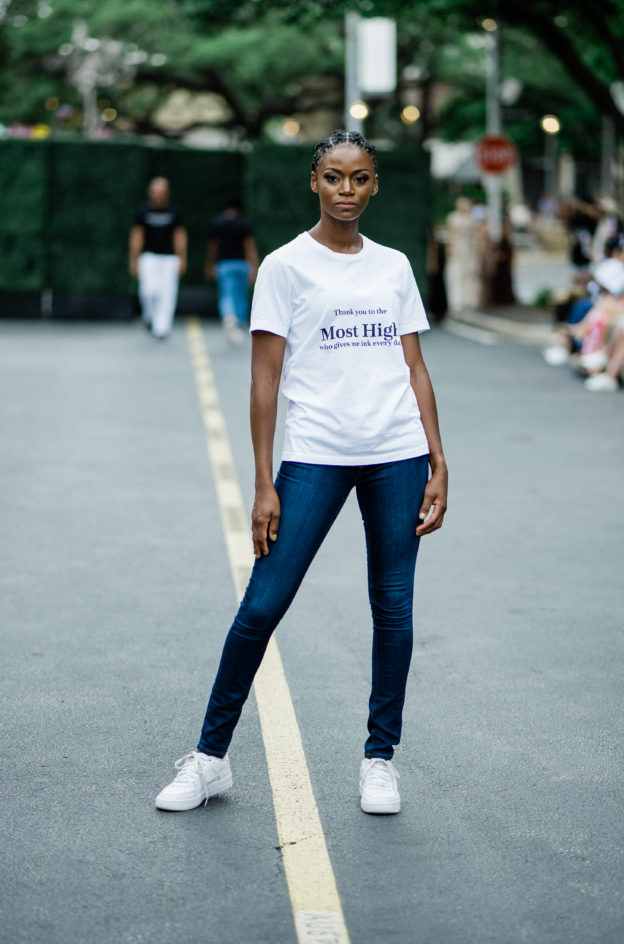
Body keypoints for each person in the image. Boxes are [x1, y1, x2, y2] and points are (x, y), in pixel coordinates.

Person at [155, 130, 448, 815]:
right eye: (334, 178)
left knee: (393, 609)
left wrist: (437, 458)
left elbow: (413, 367)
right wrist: (263, 481)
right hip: (314, 453)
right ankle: (208, 759)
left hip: (396, 453)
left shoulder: (394, 266)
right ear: (313, 182)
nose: (346, 190)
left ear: (375, 185)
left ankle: (380, 759)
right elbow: (264, 382)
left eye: (359, 179)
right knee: (262, 604)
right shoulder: (285, 266)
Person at [129, 177, 187, 339]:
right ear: (150, 193)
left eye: (161, 192)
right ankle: (149, 317)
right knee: (148, 291)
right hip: (148, 258)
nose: (158, 195)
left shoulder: (174, 213)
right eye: (155, 192)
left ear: (167, 193)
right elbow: (136, 236)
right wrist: (134, 260)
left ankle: (162, 328)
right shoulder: (143, 212)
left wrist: (182, 258)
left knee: (167, 293)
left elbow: (180, 236)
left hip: (169, 258)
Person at [206, 199, 259, 344]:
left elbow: (213, 246)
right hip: (242, 264)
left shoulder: (219, 223)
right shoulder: (244, 224)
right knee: (241, 294)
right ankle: (240, 322)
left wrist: (211, 263)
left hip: (224, 264)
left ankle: (229, 316)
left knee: (227, 293)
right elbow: (249, 246)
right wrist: (253, 267)